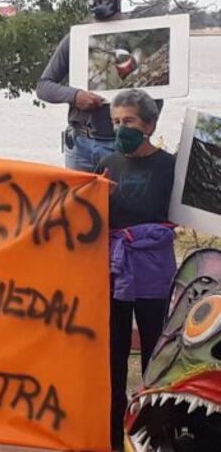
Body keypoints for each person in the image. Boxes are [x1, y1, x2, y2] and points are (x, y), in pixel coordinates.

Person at [97, 89, 176, 451]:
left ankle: (155, 436)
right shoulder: (107, 164)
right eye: (115, 122)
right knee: (112, 358)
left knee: (154, 357)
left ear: (150, 124)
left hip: (155, 271)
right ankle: (112, 438)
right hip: (115, 271)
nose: (120, 128)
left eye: (128, 121)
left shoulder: (171, 166)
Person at [37, 0, 127, 172]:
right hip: (79, 145)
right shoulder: (76, 38)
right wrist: (75, 96)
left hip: (121, 147)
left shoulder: (143, 35)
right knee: (78, 206)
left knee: (117, 205)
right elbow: (44, 86)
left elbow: (157, 95)